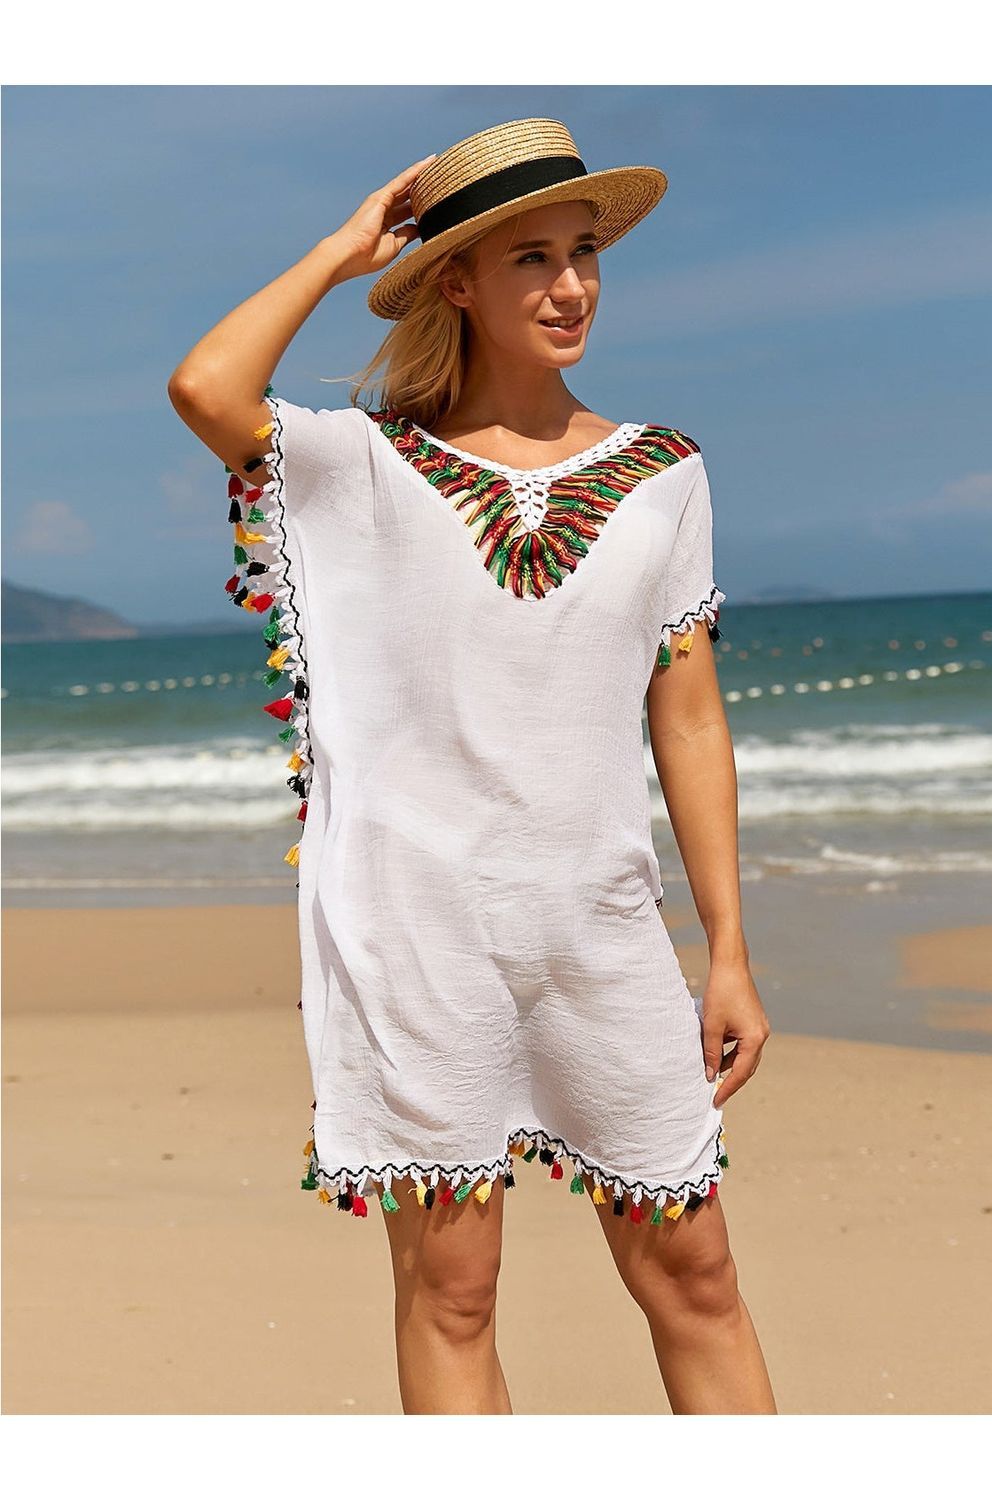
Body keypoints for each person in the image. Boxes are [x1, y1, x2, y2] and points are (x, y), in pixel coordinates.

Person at [168, 117, 775, 1416]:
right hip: (423, 936)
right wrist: (345, 250)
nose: (571, 287)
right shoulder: (363, 465)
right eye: (530, 260)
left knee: (699, 1276)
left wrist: (727, 947)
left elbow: (688, 721)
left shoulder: (663, 475)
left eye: (584, 252)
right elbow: (208, 388)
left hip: (600, 930)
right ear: (455, 282)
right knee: (454, 1292)